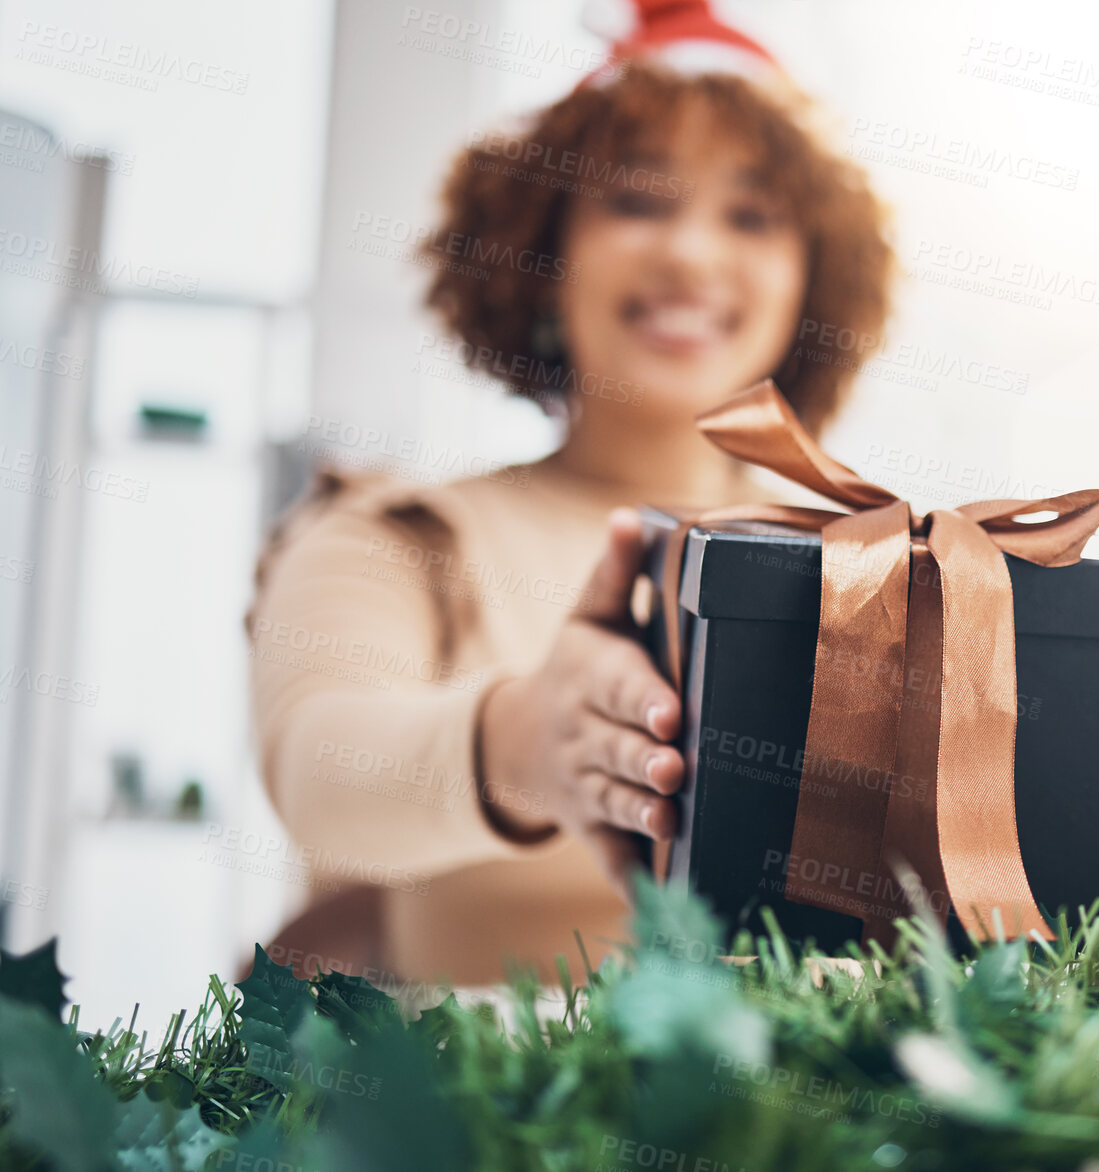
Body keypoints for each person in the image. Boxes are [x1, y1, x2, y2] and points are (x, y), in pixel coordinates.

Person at [246, 0, 892, 987]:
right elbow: (317, 771)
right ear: (544, 254)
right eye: (637, 200)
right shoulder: (399, 536)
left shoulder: (880, 569)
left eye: (752, 215)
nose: (691, 253)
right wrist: (524, 742)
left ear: (811, 283)